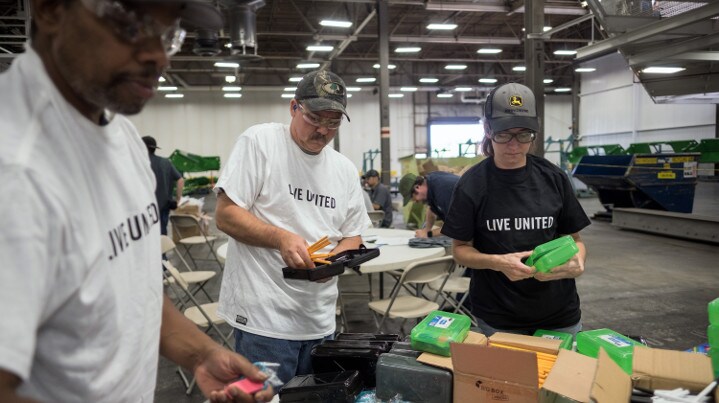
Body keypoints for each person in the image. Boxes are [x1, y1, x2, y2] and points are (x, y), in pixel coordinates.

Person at [0, 1, 274, 402]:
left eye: (168, 33)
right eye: (130, 24)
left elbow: (134, 291)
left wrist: (203, 353)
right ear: (50, 10)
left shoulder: (121, 137)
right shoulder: (16, 172)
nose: (158, 55)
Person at [214, 69, 371, 384]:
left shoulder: (343, 169)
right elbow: (226, 214)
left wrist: (333, 260)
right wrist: (280, 238)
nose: (323, 130)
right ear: (293, 107)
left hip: (320, 320)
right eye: (314, 118)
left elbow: (353, 234)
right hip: (264, 321)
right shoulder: (260, 142)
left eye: (333, 122)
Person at [441, 82, 591, 337]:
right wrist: (497, 263)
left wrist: (578, 261)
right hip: (499, 317)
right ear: (488, 130)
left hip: (559, 314)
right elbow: (460, 251)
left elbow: (575, 240)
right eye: (503, 134)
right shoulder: (472, 184)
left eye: (523, 135)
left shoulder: (553, 177)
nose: (514, 145)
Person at [143, 135, 184, 235]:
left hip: (145, 207)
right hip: (164, 205)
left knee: (148, 234)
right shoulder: (166, 162)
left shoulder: (140, 163)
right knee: (162, 234)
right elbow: (180, 180)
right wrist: (178, 199)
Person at [398, 171, 459, 238]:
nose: (415, 201)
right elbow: (431, 209)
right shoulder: (430, 182)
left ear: (417, 187)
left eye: (413, 198)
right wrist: (426, 230)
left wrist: (429, 234)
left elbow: (455, 226)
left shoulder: (442, 191)